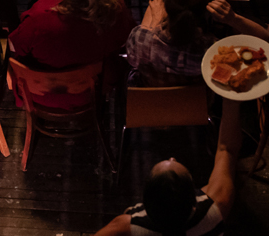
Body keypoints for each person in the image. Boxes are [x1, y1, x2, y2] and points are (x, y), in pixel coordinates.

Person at [9, 0, 135, 108]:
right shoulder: (117, 11)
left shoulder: (40, 17)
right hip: (92, 91)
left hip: (42, 94)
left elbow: (16, 47)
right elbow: (124, 40)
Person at [94, 101, 241, 236]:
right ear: (194, 198)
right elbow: (226, 150)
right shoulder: (217, 207)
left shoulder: (127, 226)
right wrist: (231, 100)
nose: (172, 158)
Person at [126, 0, 217, 87]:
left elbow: (132, 61)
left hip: (150, 96)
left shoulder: (138, 38)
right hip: (191, 100)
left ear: (167, 4)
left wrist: (155, 23)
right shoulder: (209, 50)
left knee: (151, 8)